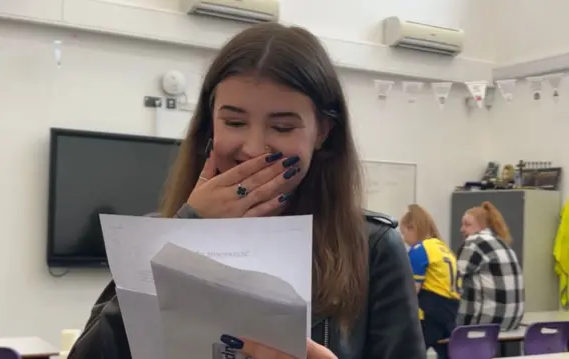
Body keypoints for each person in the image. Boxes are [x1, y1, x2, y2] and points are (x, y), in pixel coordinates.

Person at [68, 22, 425, 359]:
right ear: (211, 125)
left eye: (283, 127)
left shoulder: (372, 247)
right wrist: (184, 233)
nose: (254, 148)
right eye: (234, 122)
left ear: (322, 132)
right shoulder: (163, 232)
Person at [400, 204, 460, 359]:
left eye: (403, 232)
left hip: (430, 315)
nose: (404, 239)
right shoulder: (443, 247)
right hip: (450, 314)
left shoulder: (419, 249)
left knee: (406, 351)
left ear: (412, 228)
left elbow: (413, 290)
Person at [458, 201, 525, 330]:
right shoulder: (502, 243)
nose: (462, 229)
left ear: (482, 226)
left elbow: (455, 281)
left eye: (467, 225)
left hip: (488, 324)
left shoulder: (474, 241)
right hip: (512, 322)